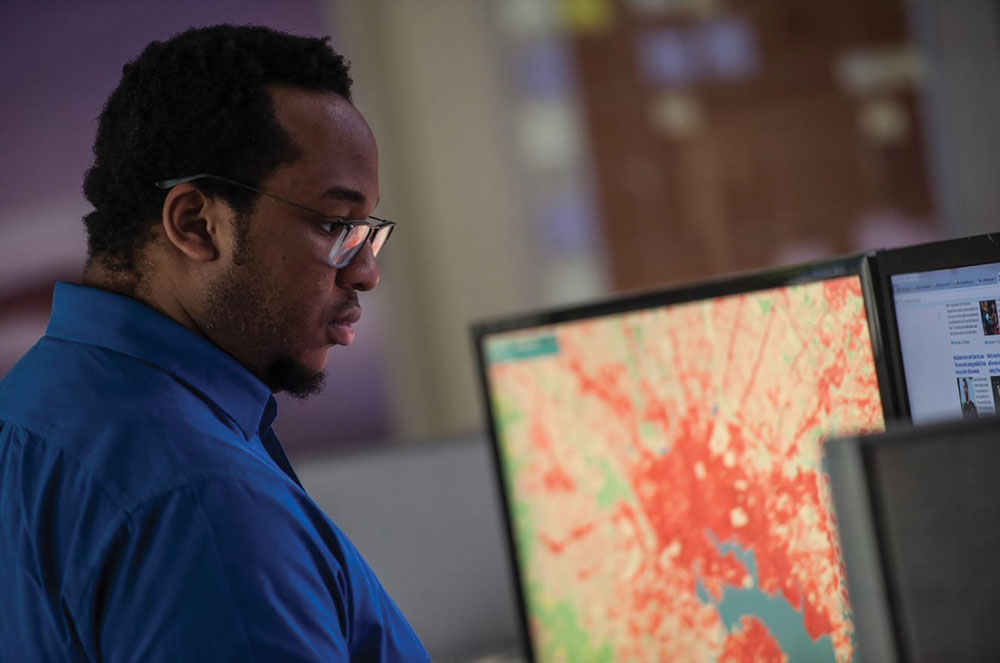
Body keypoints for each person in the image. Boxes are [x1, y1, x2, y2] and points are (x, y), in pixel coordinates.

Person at [0, 25, 429, 662]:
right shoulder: (207, 503)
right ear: (197, 224)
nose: (366, 270)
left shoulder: (32, 403)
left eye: (367, 228)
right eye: (334, 224)